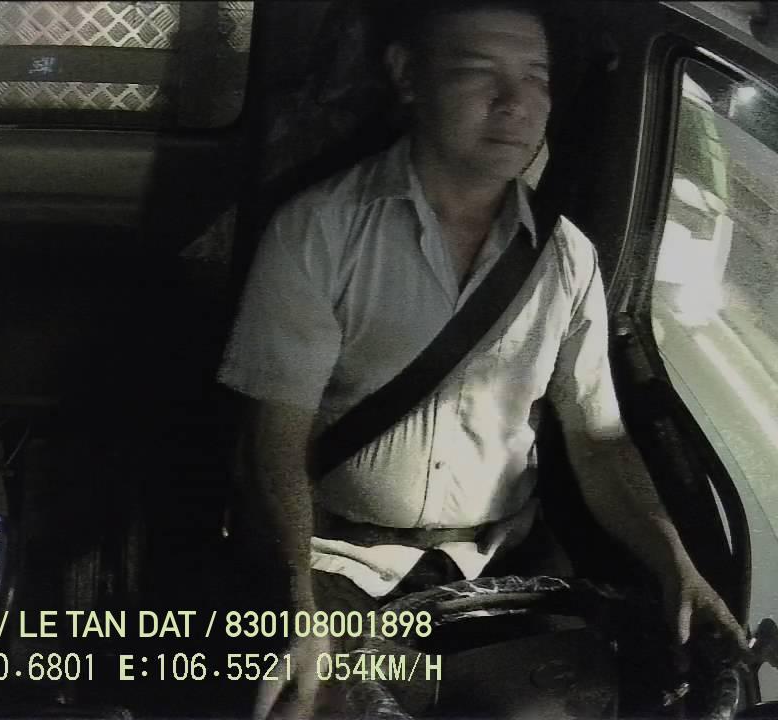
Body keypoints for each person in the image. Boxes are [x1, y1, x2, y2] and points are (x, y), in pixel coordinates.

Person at [217, 3, 749, 718]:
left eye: (536, 77)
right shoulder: (319, 231)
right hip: (337, 566)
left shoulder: (567, 257)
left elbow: (598, 441)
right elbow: (275, 446)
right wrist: (297, 610)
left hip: (501, 567)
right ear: (409, 76)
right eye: (479, 71)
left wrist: (677, 567)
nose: (515, 101)